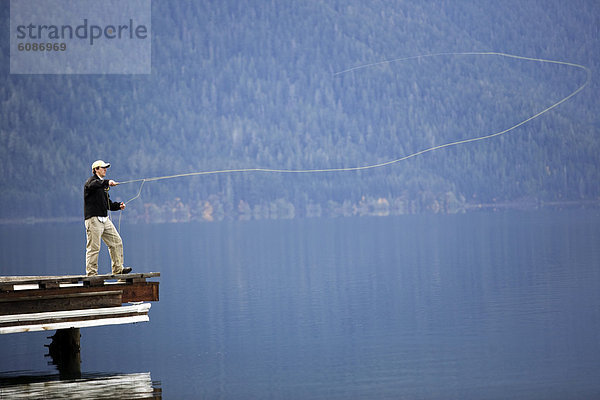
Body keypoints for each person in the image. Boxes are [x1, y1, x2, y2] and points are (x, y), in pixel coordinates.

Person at [84, 160, 132, 276]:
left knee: (116, 242)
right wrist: (107, 182)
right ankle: (91, 274)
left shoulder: (102, 186)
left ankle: (118, 269)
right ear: (96, 170)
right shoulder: (91, 182)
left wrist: (118, 206)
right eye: (103, 167)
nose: (105, 169)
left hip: (105, 220)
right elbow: (94, 185)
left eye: (106, 168)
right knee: (94, 248)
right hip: (93, 220)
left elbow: (107, 204)